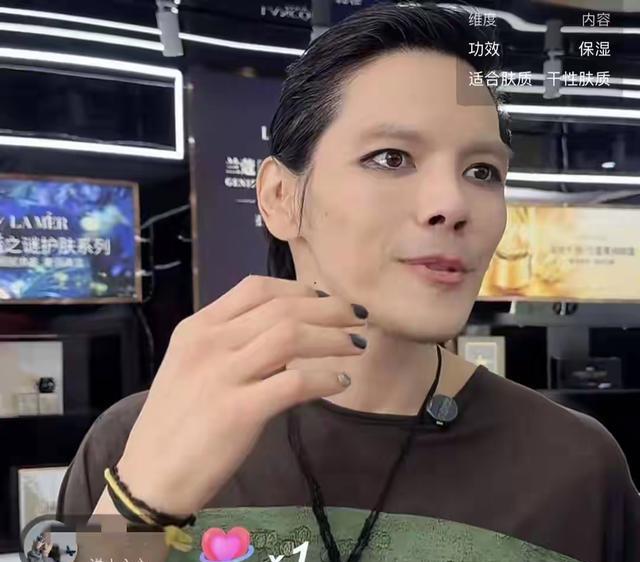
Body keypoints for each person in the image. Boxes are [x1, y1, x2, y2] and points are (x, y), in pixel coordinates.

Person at [58, 3, 640, 562]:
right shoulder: (139, 439)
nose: (452, 203)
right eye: (391, 158)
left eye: (482, 171)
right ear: (280, 197)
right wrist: (139, 510)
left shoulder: (575, 467)